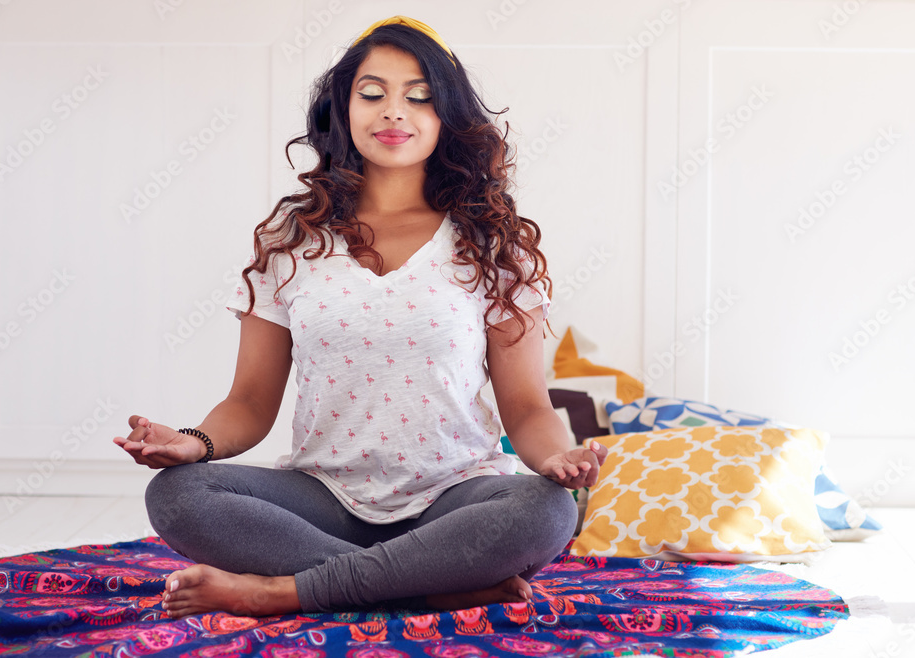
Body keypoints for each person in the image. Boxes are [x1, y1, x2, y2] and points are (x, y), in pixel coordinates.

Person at [114, 15, 607, 619]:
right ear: (343, 111)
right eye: (372, 94)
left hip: (454, 498)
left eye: (419, 97)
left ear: (445, 116)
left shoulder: (489, 242)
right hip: (321, 499)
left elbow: (527, 406)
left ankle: (286, 592)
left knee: (546, 509)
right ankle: (426, 586)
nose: (394, 111)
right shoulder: (290, 238)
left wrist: (558, 461)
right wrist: (193, 443)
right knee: (179, 496)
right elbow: (248, 402)